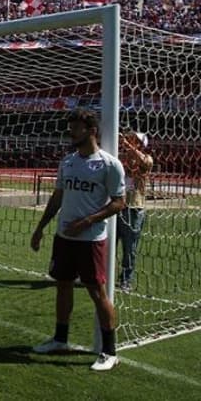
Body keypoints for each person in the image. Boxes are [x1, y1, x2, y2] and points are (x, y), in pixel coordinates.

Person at [30, 109, 126, 371]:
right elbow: (58, 197)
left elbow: (119, 202)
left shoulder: (109, 164)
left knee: (96, 292)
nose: (71, 131)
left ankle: (109, 351)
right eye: (70, 126)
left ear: (91, 131)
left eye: (76, 127)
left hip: (91, 239)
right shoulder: (68, 162)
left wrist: (87, 221)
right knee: (62, 285)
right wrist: (40, 228)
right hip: (64, 237)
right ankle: (60, 339)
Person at [117, 131, 153, 291]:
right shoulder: (120, 158)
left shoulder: (147, 159)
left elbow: (144, 162)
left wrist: (126, 145)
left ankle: (126, 280)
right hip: (116, 207)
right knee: (107, 244)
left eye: (134, 140)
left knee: (129, 249)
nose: (130, 140)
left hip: (134, 209)